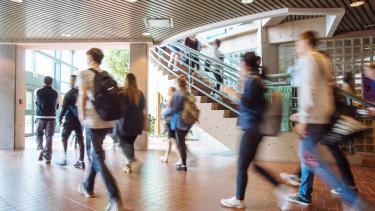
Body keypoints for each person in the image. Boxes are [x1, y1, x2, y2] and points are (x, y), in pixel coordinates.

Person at [286, 31, 369, 210]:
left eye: (298, 43)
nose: (296, 47)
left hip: (314, 119)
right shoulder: (324, 60)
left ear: (307, 42)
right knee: (306, 156)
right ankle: (304, 194)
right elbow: (326, 90)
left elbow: (309, 91)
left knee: (314, 161)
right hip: (324, 117)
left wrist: (304, 118)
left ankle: (351, 199)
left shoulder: (309, 59)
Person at [221, 52, 290, 210]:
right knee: (250, 164)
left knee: (242, 165)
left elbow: (248, 103)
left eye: (240, 65)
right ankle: (280, 189)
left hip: (252, 129)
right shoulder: (254, 80)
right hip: (254, 128)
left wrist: (232, 92)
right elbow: (254, 103)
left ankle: (240, 199)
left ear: (245, 64)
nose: (240, 68)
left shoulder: (252, 81)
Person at [77, 48, 122, 211]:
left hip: (93, 122)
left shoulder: (84, 74)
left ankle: (115, 197)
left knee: (97, 157)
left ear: (90, 57)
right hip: (108, 121)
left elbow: (82, 97)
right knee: (96, 154)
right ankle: (87, 186)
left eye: (86, 56)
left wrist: (81, 116)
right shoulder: (108, 75)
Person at [114, 73, 146, 174]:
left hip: (124, 124)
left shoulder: (122, 92)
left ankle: (134, 161)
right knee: (129, 144)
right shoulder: (140, 93)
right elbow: (142, 108)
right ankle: (128, 166)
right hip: (136, 124)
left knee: (123, 143)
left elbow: (117, 107)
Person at [164, 75, 194, 171]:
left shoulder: (176, 95)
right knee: (181, 141)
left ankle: (183, 165)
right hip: (189, 122)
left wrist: (164, 114)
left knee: (180, 143)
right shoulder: (188, 94)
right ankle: (183, 162)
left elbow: (172, 109)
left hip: (179, 122)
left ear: (177, 84)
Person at [58, 75, 85, 169]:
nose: (69, 82)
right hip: (79, 120)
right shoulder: (82, 93)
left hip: (70, 119)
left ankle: (64, 158)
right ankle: (81, 161)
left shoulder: (69, 94)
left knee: (64, 137)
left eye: (71, 81)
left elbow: (64, 108)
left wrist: (60, 118)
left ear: (73, 82)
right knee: (80, 140)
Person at [35, 76, 59, 164]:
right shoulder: (56, 93)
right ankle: (48, 157)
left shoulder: (37, 91)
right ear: (51, 83)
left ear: (44, 82)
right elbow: (57, 105)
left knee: (38, 134)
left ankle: (40, 149)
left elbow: (36, 103)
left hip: (40, 117)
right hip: (51, 117)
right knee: (49, 137)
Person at [160, 87, 181, 163]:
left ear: (172, 91)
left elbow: (169, 110)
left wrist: (163, 114)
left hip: (171, 122)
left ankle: (181, 159)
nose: (167, 92)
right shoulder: (177, 99)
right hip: (173, 122)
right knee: (170, 141)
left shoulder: (173, 99)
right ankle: (165, 157)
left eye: (169, 90)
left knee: (173, 141)